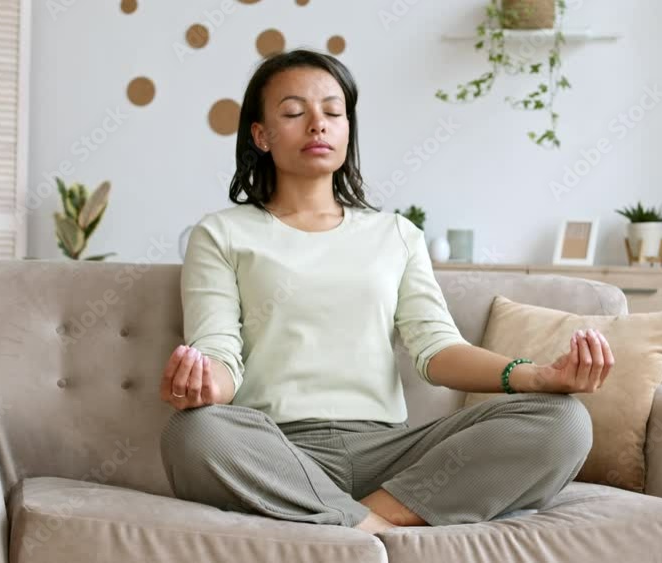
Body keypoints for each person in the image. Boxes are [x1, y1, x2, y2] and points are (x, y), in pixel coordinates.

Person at [160, 48, 614, 534]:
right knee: (195, 429)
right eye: (294, 112)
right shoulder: (222, 234)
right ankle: (379, 524)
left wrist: (538, 377)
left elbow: (437, 350)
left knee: (564, 421)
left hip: (392, 455)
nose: (318, 124)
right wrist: (205, 386)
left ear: (347, 129)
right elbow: (219, 351)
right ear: (261, 135)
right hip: (276, 452)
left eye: (333, 112)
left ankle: (360, 522)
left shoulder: (395, 234)